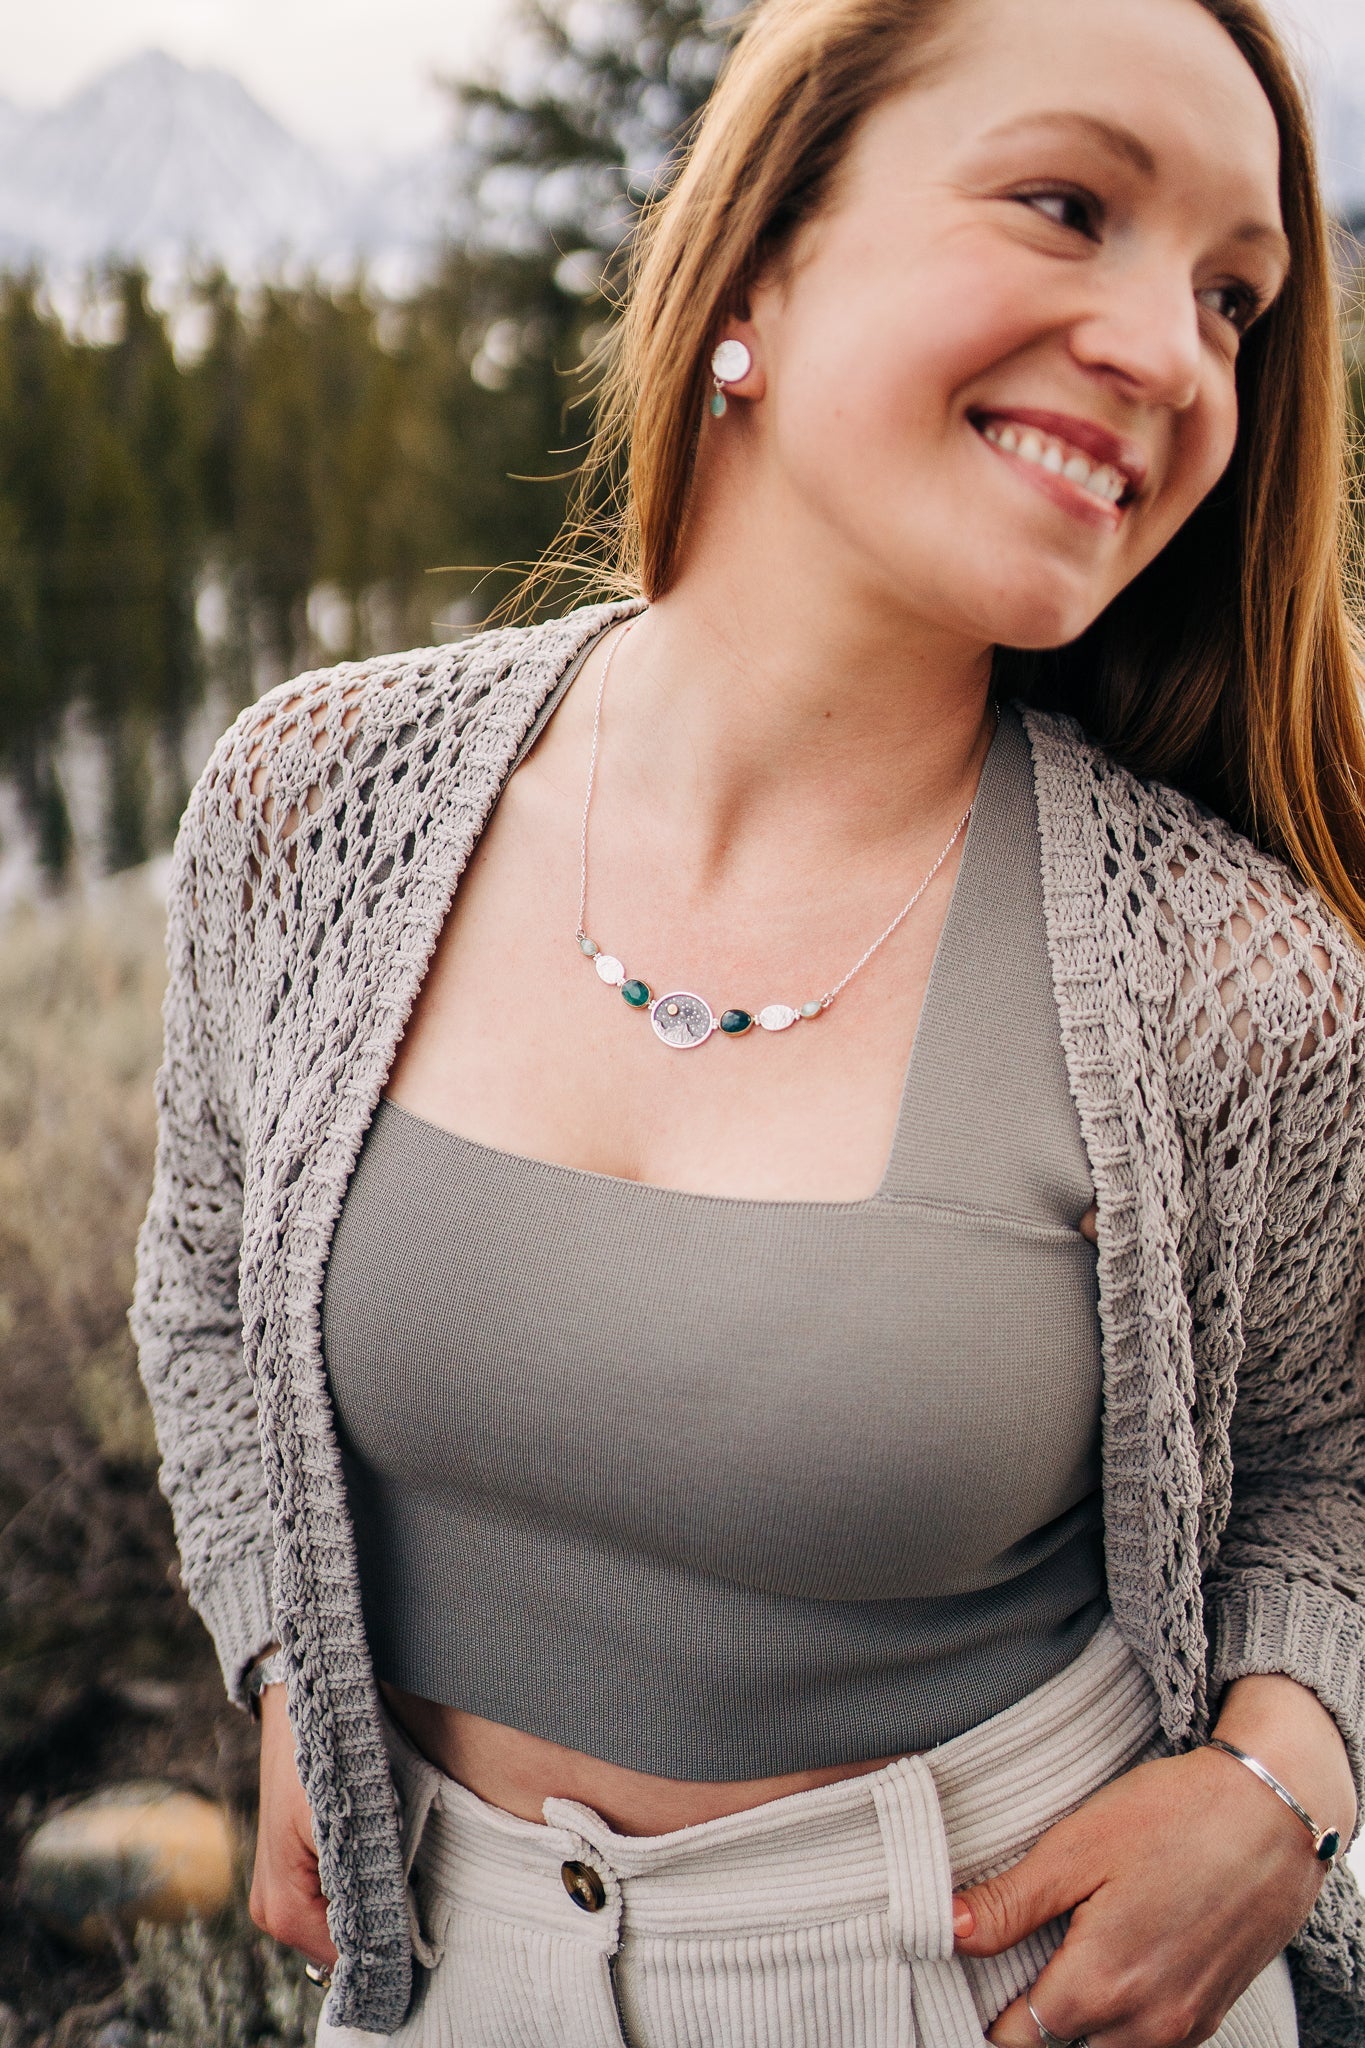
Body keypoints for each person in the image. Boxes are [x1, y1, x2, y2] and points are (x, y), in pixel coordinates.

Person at [130, 0, 1365, 2042]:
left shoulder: (1232, 982)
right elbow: (201, 1291)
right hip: (438, 1979)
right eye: (1066, 205)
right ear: (761, 256)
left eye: (1234, 301)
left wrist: (1277, 1783)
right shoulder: (314, 801)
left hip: (1004, 1989)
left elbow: (1336, 1453)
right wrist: (287, 1655)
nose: (1169, 356)